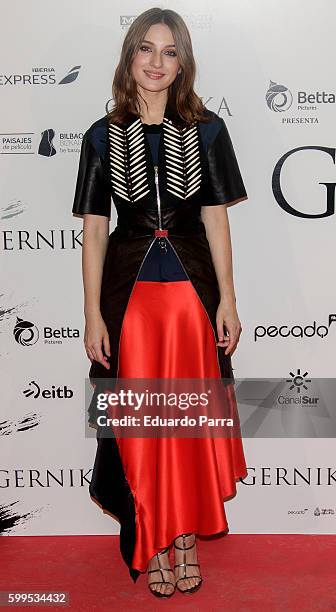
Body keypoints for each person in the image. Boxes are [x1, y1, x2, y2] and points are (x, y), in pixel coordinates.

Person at [72, 7, 248, 598]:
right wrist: (93, 312)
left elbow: (216, 219)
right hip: (131, 304)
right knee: (141, 429)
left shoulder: (207, 130)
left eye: (169, 52)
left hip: (191, 301)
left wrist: (228, 299)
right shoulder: (103, 136)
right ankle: (151, 536)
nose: (156, 62)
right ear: (129, 57)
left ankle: (187, 539)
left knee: (190, 426)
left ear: (183, 62)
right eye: (145, 49)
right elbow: (95, 229)